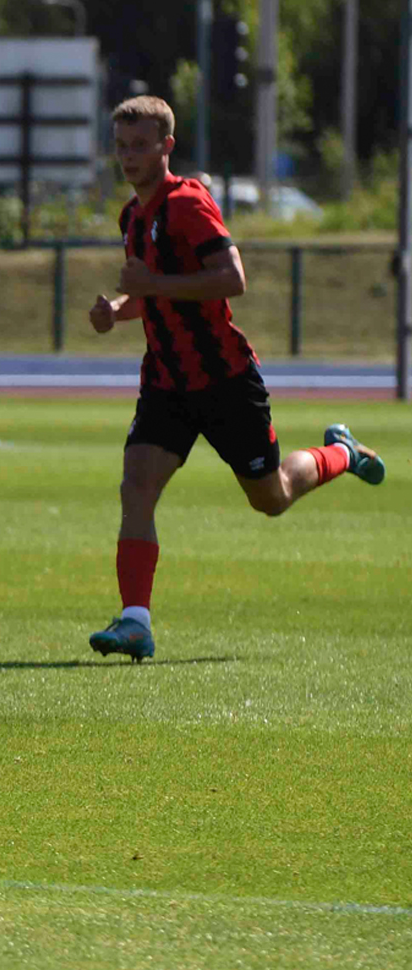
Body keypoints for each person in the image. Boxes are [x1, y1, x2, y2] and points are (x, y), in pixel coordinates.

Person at [86, 96, 385, 662]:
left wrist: (150, 283)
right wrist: (118, 308)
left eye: (140, 146)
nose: (128, 157)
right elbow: (150, 292)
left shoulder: (187, 202)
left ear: (166, 147)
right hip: (167, 381)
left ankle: (340, 453)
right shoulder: (132, 216)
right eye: (121, 146)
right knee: (136, 488)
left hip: (224, 379)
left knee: (271, 498)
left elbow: (232, 279)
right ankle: (135, 621)